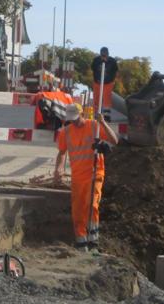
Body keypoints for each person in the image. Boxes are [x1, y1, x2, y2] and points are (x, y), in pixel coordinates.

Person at [54, 102, 118, 250]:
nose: (74, 122)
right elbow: (62, 153)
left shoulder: (94, 126)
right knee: (78, 210)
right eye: (71, 119)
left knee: (92, 205)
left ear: (82, 114)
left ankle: (93, 241)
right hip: (78, 177)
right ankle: (81, 242)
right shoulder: (66, 132)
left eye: (76, 118)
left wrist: (103, 123)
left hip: (95, 173)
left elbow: (114, 140)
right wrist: (59, 168)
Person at [91, 47, 118, 113]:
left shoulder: (112, 61)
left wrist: (113, 81)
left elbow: (116, 71)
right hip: (97, 82)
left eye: (105, 55)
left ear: (108, 54)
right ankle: (96, 114)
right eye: (102, 55)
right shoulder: (96, 60)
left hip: (108, 83)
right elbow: (92, 69)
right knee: (96, 99)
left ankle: (106, 116)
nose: (103, 57)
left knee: (107, 99)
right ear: (100, 54)